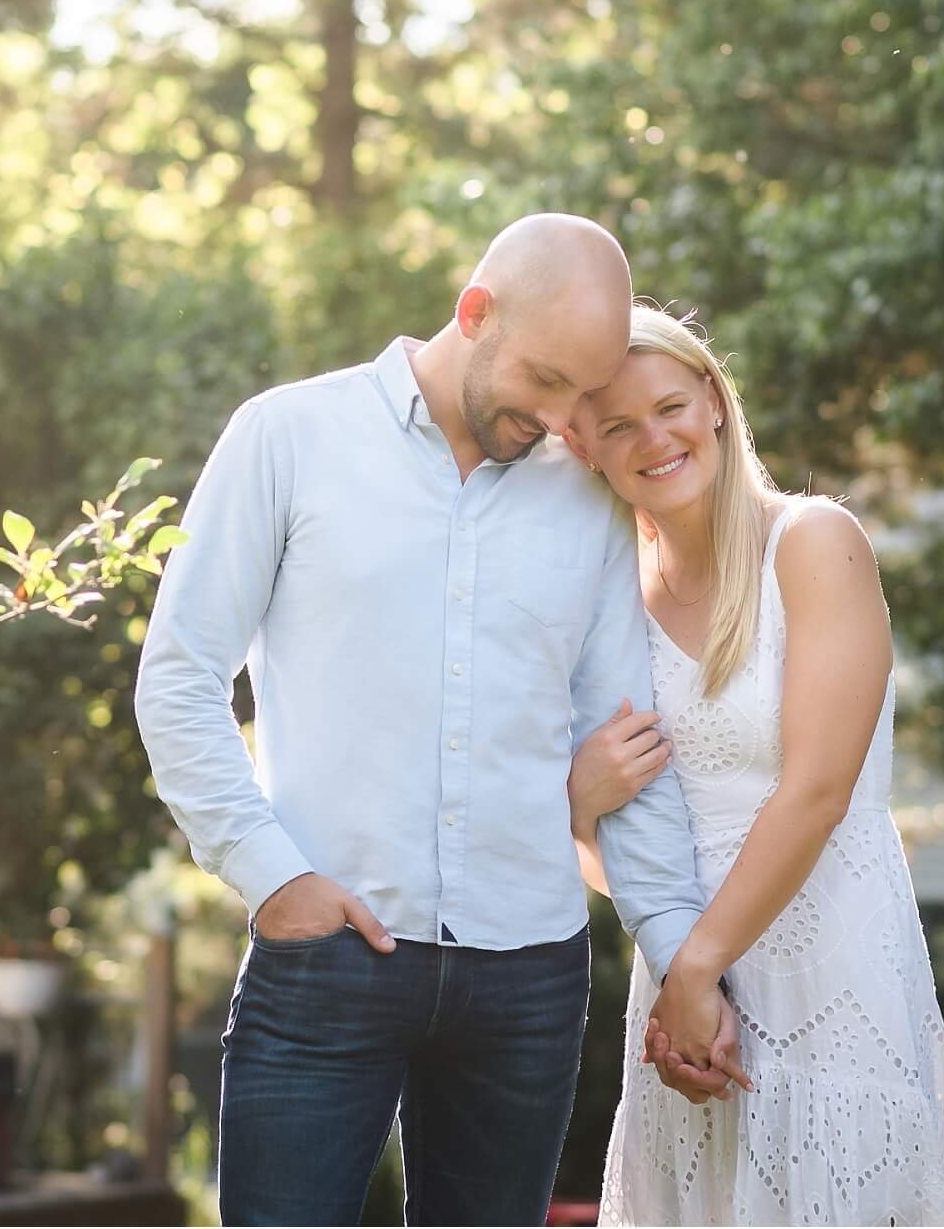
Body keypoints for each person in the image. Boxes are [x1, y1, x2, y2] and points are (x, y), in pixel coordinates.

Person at [135, 216, 749, 1227]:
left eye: (580, 397)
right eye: (546, 382)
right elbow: (179, 675)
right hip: (327, 956)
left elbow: (630, 748)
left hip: (527, 980)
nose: (562, 421)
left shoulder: (585, 501)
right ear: (475, 314)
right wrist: (271, 875)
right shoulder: (289, 437)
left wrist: (680, 952)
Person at [570, 304, 944, 1226]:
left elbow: (818, 790)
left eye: (671, 405)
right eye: (620, 426)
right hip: (687, 1007)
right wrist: (579, 814)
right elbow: (623, 854)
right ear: (585, 446)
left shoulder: (813, 541)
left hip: (830, 975)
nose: (656, 438)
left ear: (714, 400)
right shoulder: (609, 606)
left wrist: (695, 967)